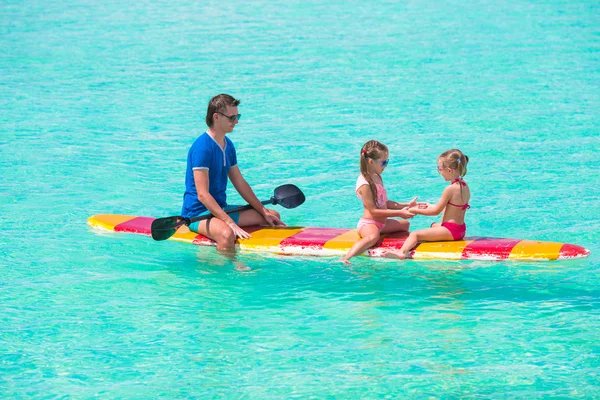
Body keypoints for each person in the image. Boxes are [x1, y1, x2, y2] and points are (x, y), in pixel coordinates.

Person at [181, 93, 284, 254]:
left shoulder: (228, 145)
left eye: (238, 116)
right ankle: (229, 270)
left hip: (221, 208)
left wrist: (263, 211)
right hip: (197, 213)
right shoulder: (202, 148)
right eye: (232, 118)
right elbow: (202, 195)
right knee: (226, 234)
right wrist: (230, 222)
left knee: (273, 216)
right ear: (216, 117)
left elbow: (240, 182)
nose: (236, 122)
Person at [340, 140, 420, 264]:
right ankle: (346, 258)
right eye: (383, 162)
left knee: (405, 225)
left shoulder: (377, 176)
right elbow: (374, 211)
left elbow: (385, 203)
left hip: (382, 224)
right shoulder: (364, 184)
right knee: (373, 237)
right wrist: (399, 213)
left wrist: (407, 205)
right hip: (369, 224)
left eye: (387, 161)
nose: (386, 165)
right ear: (371, 162)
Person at [386, 149, 471, 259]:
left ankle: (402, 253)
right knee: (433, 225)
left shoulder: (449, 189)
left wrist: (414, 210)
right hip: (460, 230)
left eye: (440, 169)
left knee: (415, 234)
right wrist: (428, 205)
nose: (439, 172)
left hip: (451, 231)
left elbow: (435, 211)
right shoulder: (464, 186)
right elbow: (450, 207)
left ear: (449, 170)